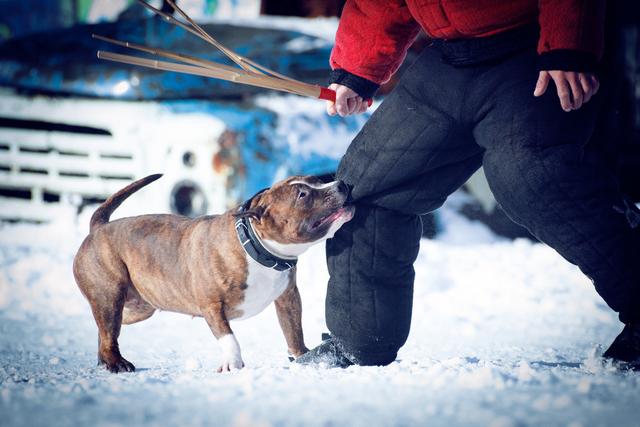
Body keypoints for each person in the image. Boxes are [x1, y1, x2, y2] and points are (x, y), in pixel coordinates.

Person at [296, 0, 640, 369]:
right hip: (449, 60)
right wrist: (356, 70)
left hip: (533, 51)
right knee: (363, 188)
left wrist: (569, 45)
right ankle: (358, 342)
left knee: (532, 178)